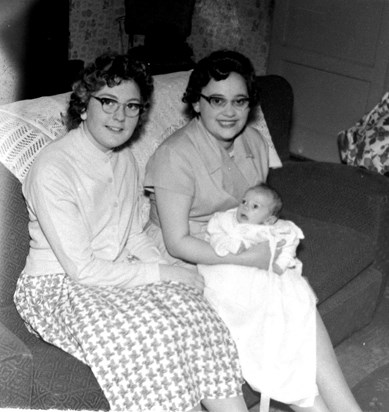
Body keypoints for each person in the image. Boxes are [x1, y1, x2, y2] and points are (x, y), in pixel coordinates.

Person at [13, 52, 250, 412]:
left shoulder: (123, 158)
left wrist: (173, 273)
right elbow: (83, 270)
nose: (120, 116)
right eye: (108, 102)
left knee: (195, 311)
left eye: (132, 106)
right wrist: (162, 272)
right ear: (82, 105)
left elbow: (131, 234)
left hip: (111, 272)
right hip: (58, 287)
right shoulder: (53, 168)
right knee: (152, 333)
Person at [144, 49, 363, 412]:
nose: (229, 112)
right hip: (186, 256)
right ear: (196, 104)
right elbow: (177, 242)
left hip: (237, 244)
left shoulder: (254, 143)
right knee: (267, 304)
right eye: (216, 100)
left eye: (239, 101)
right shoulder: (174, 156)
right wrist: (252, 259)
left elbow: (254, 213)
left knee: (294, 294)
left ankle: (343, 407)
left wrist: (267, 250)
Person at [200, 182, 318, 411]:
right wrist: (230, 245)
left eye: (255, 206)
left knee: (289, 300)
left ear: (269, 219)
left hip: (259, 275)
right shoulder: (226, 221)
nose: (244, 207)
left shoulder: (274, 230)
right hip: (224, 270)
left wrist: (280, 264)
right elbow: (215, 237)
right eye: (244, 201)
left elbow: (286, 251)